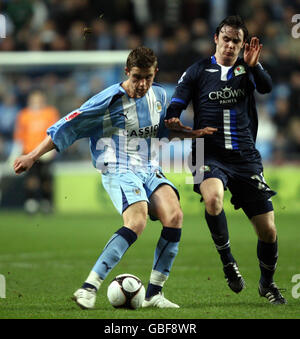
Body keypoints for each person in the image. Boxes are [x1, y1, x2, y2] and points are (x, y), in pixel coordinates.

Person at [13, 46, 214, 310]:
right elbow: (67, 125)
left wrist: (193, 133)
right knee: (137, 221)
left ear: (156, 74)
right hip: (116, 165)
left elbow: (164, 131)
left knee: (175, 216)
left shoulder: (161, 96)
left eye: (148, 78)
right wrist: (32, 156)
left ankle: (154, 294)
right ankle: (88, 287)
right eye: (137, 77)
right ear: (127, 72)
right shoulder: (107, 100)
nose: (142, 84)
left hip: (148, 165)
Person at [165, 16, 287, 304]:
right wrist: (175, 119)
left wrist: (255, 66)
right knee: (213, 199)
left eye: (237, 41)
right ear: (216, 39)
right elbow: (176, 104)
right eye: (226, 39)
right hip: (206, 153)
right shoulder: (197, 71)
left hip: (245, 157)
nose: (230, 45)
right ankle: (228, 262)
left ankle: (267, 283)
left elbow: (267, 87)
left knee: (268, 231)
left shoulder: (248, 69)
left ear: (243, 45)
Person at [10, 90, 60, 213]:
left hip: (45, 152)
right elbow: (20, 135)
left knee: (46, 178)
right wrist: (17, 152)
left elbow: (56, 131)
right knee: (31, 178)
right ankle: (30, 201)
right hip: (29, 152)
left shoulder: (50, 113)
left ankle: (46, 202)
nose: (37, 102)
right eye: (34, 99)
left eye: (39, 99)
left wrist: (52, 150)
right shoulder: (24, 115)